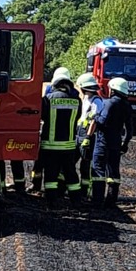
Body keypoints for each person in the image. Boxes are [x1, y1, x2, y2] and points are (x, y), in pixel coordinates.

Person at [39, 66, 82, 205]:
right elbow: (78, 117)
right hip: (69, 146)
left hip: (50, 146)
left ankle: (51, 202)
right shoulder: (77, 100)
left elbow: (42, 116)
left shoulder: (47, 99)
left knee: (51, 174)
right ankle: (76, 201)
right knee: (71, 174)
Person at [89, 77, 134, 208]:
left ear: (113, 90)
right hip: (116, 144)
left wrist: (94, 116)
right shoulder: (127, 105)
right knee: (114, 173)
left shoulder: (109, 103)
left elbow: (102, 121)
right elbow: (130, 130)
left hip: (103, 143)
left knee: (98, 171)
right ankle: (111, 200)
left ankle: (97, 200)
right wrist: (124, 145)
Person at [75, 72, 104, 198]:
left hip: (87, 136)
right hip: (79, 134)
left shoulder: (97, 102)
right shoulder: (87, 99)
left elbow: (94, 121)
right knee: (71, 161)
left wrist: (88, 137)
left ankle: (84, 190)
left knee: (85, 165)